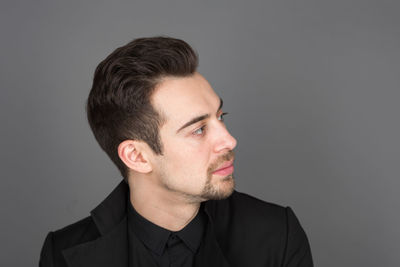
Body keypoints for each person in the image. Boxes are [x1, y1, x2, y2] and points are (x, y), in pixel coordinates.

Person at [39, 36, 313, 267]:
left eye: (221, 116)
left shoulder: (277, 235)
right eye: (198, 130)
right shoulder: (63, 254)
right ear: (137, 156)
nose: (229, 140)